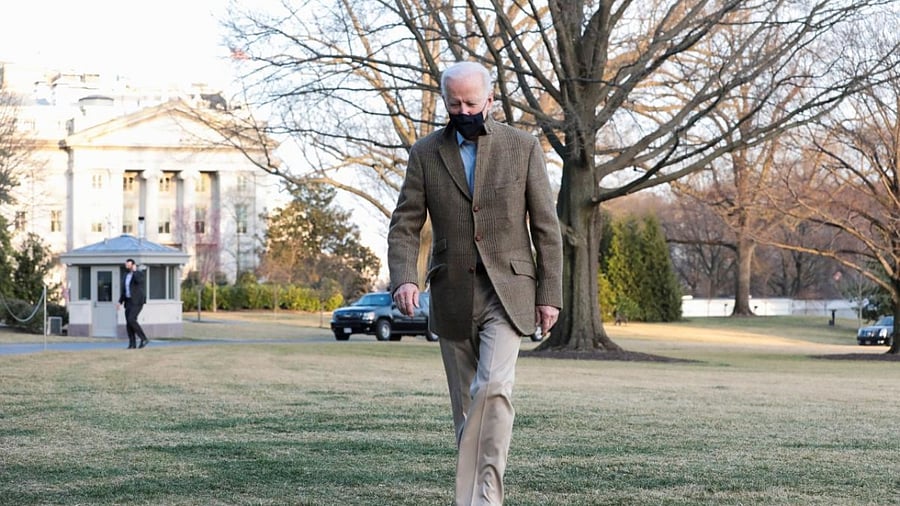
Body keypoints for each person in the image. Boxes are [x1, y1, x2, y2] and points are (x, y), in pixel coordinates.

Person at [387, 61, 563, 506]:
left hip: (509, 291)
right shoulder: (426, 152)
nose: (463, 111)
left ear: (491, 100)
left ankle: (486, 499)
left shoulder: (522, 147)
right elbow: (405, 225)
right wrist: (404, 278)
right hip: (451, 292)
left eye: (471, 102)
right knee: (467, 410)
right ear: (446, 102)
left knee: (494, 389)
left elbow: (546, 226)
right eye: (454, 103)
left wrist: (549, 294)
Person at [116, 258, 149, 349]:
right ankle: (132, 343)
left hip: (137, 301)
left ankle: (144, 338)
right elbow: (124, 290)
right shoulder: (125, 275)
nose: (127, 266)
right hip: (128, 301)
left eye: (129, 265)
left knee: (131, 319)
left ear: (133, 265)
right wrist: (120, 302)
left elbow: (139, 281)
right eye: (126, 265)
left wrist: (135, 271)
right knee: (128, 322)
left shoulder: (139, 273)